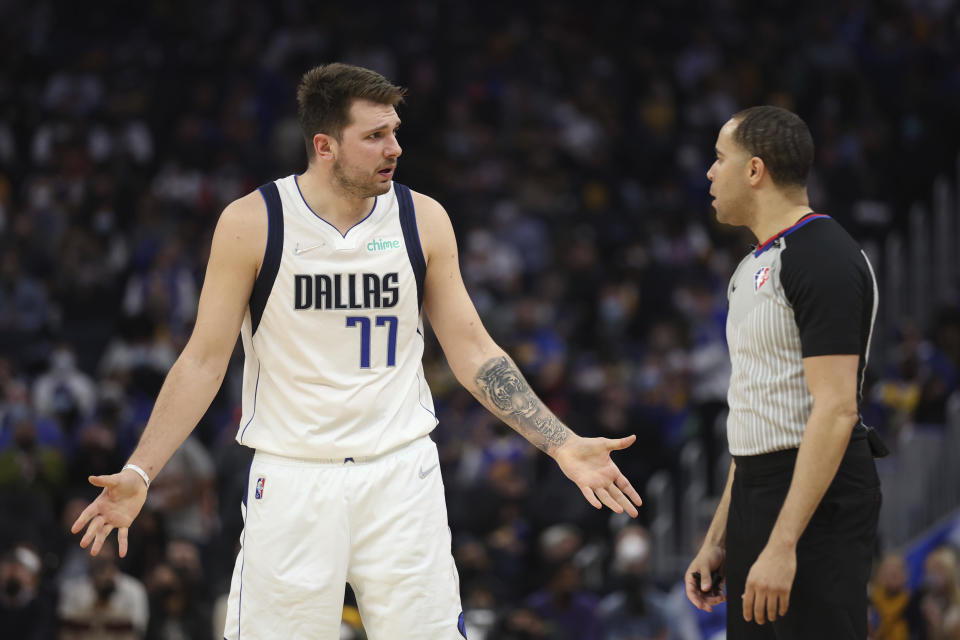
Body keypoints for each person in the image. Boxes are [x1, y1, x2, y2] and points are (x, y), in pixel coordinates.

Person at [70, 62, 643, 639]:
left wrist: (562, 443)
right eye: (374, 136)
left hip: (401, 473)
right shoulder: (254, 222)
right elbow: (203, 359)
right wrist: (142, 469)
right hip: (294, 475)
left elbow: (473, 350)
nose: (394, 148)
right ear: (324, 146)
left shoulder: (423, 218)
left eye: (394, 131)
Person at [684, 106, 883, 638]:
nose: (709, 172)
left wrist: (783, 542)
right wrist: (720, 536)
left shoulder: (822, 256)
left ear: (754, 170)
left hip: (815, 499)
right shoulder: (751, 265)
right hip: (759, 489)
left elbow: (838, 408)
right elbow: (755, 411)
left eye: (719, 158)